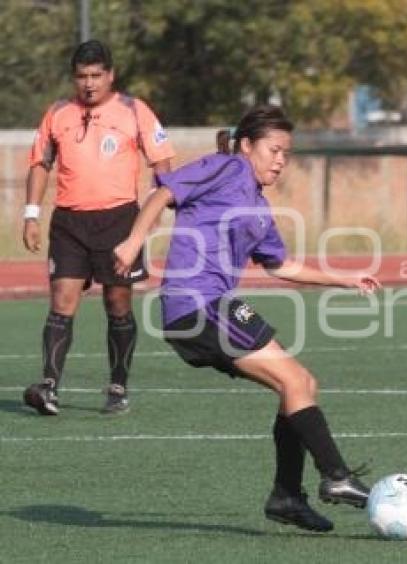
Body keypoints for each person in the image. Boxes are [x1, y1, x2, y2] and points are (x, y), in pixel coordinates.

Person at [113, 104, 378, 533]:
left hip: (216, 304)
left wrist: (344, 280)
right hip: (194, 304)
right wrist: (131, 243)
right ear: (247, 145)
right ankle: (336, 476)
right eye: (274, 150)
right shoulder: (224, 168)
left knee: (301, 384)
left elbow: (282, 266)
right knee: (293, 381)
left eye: (286, 154)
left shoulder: (258, 207)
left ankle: (287, 496)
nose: (280, 160)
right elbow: (163, 193)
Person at [22, 40, 175, 415]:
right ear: (74, 78)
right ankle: (49, 386)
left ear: (110, 75)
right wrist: (31, 214)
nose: (89, 83)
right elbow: (40, 164)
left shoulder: (134, 111)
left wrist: (152, 217)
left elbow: (163, 164)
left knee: (117, 302)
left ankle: (118, 385)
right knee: (62, 301)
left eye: (96, 75)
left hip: (119, 220)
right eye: (81, 76)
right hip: (69, 223)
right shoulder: (58, 113)